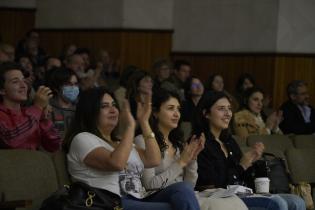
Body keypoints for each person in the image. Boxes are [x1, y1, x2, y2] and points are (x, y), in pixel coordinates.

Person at [64, 86, 201, 210]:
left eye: (114, 105)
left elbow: (153, 160)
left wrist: (144, 122)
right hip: (109, 202)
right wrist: (130, 127)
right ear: (90, 111)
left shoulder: (119, 142)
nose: (113, 110)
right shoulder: (82, 138)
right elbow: (116, 163)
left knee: (183, 189)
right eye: (105, 106)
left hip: (139, 197)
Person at [135, 89, 248, 210]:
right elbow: (149, 185)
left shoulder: (178, 144)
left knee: (231, 200)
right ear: (155, 113)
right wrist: (181, 162)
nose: (176, 114)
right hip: (154, 196)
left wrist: (192, 159)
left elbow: (189, 185)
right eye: (170, 108)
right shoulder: (143, 140)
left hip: (181, 195)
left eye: (178, 109)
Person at [196, 91, 305, 210]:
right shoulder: (199, 142)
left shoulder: (229, 141)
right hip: (222, 198)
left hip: (245, 192)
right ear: (206, 113)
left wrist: (253, 161)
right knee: (277, 203)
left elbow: (243, 177)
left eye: (229, 109)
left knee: (297, 201)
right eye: (221, 109)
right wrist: (242, 165)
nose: (228, 113)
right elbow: (212, 185)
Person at [0, 62, 61, 151]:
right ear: (2, 90)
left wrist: (43, 118)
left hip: (35, 163)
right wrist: (38, 108)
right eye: (15, 82)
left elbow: (54, 146)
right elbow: (12, 140)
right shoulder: (33, 113)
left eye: (24, 81)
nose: (23, 85)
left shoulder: (30, 114)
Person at [46, 67, 79, 138]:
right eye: (68, 84)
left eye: (75, 84)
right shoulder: (48, 109)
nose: (73, 87)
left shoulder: (80, 109)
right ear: (56, 88)